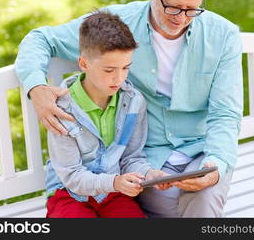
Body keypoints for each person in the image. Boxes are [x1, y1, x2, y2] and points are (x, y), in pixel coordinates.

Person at [16, 0, 243, 217]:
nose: (181, 19)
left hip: (201, 150)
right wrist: (36, 88)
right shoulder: (116, 27)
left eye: (191, 9)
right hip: (144, 159)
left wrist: (215, 166)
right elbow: (40, 39)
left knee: (204, 202)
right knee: (171, 207)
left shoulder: (224, 36)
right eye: (172, 7)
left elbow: (225, 114)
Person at [45, 11, 169, 218]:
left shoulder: (133, 102)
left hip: (113, 192)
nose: (118, 78)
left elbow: (131, 157)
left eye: (125, 68)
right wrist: (114, 183)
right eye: (109, 70)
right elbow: (72, 176)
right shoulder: (61, 109)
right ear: (84, 64)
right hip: (69, 193)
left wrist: (150, 174)